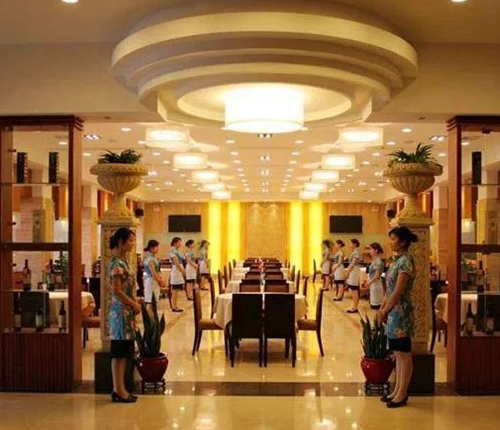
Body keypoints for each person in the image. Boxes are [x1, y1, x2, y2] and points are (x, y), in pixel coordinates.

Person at [378, 227, 417, 408]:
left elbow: (398, 291)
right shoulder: (396, 261)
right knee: (397, 353)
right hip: (392, 312)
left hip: (401, 312)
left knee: (404, 353)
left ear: (402, 242)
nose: (390, 242)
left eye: (393, 239)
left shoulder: (406, 262)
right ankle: (397, 389)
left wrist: (385, 310)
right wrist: (383, 308)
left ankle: (402, 392)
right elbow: (389, 290)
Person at [108, 227, 141, 403]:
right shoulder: (117, 264)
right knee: (119, 352)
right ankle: (118, 389)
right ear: (121, 242)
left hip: (126, 313)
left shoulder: (124, 262)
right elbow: (117, 290)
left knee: (124, 352)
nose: (132, 244)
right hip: (120, 313)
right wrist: (133, 304)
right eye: (130, 241)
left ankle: (120, 388)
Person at [143, 240, 165, 307]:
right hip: (151, 281)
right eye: (156, 247)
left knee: (154, 301)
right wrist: (160, 281)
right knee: (150, 302)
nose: (158, 248)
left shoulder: (153, 258)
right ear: (151, 248)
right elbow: (153, 273)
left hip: (154, 280)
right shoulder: (150, 259)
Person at [364, 243, 385, 310]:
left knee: (376, 306)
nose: (370, 251)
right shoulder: (375, 260)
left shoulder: (377, 261)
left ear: (376, 250)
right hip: (373, 284)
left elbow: (376, 275)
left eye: (371, 249)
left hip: (376, 284)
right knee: (373, 305)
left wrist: (368, 283)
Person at [344, 238, 362, 313]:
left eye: (350, 243)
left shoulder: (356, 252)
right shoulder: (355, 251)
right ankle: (354, 306)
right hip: (353, 271)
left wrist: (347, 272)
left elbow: (353, 263)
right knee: (352, 289)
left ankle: (355, 307)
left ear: (354, 244)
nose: (349, 245)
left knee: (354, 289)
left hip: (354, 271)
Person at [170, 237, 186, 312]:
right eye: (179, 242)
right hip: (176, 270)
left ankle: (175, 305)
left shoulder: (176, 250)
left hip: (178, 270)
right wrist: (183, 272)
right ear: (175, 243)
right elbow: (177, 263)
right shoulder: (173, 250)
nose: (180, 244)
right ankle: (174, 306)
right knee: (175, 290)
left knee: (177, 290)